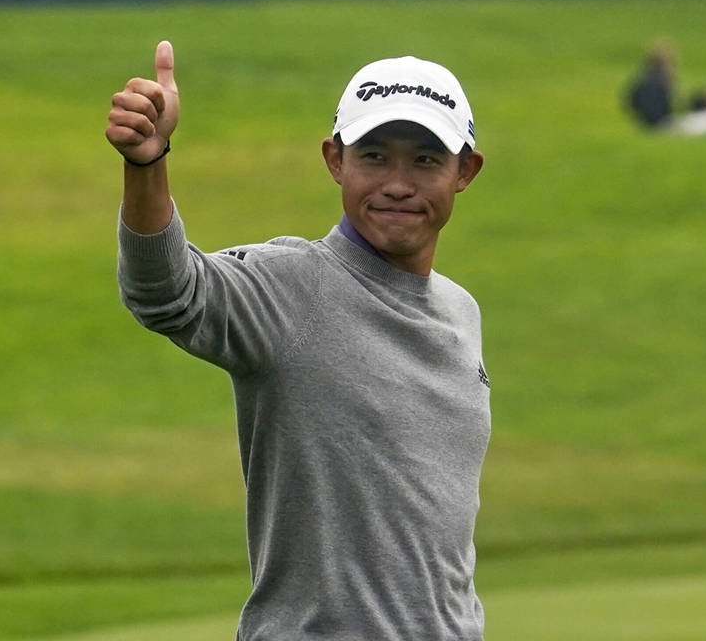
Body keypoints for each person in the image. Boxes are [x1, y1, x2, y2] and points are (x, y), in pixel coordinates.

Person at [106, 41, 490, 640]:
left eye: (424, 160)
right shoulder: (293, 287)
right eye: (373, 156)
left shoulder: (461, 314)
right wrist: (147, 165)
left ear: (464, 172)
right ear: (335, 161)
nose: (397, 183)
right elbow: (167, 293)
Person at [624, 38, 677, 129]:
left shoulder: (642, 77)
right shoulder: (663, 80)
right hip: (660, 121)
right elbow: (667, 106)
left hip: (643, 120)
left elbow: (631, 101)